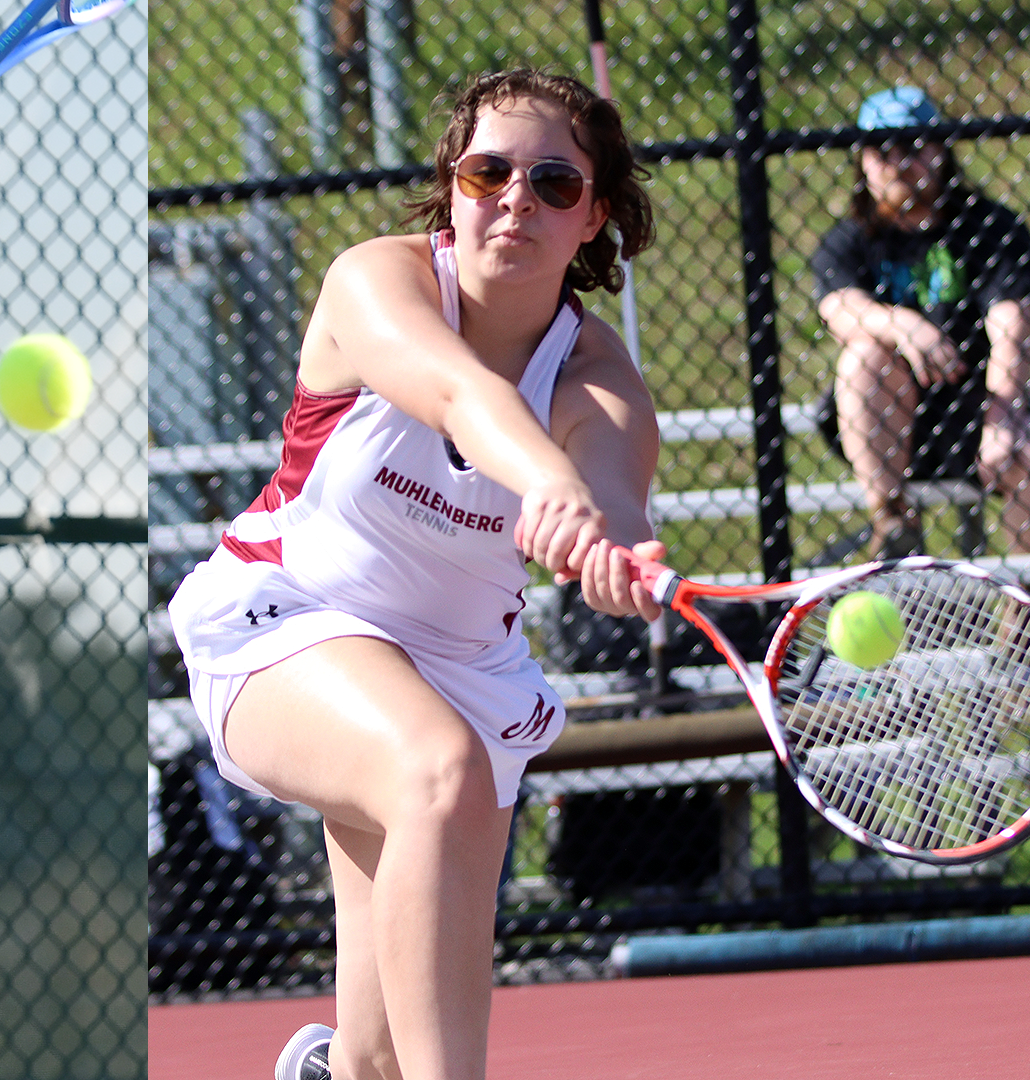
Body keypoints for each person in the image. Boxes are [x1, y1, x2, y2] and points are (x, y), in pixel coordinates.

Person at [167, 69, 663, 1080]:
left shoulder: (597, 374)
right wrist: (547, 481)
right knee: (436, 771)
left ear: (593, 219)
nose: (515, 199)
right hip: (283, 619)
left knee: (381, 1056)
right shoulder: (374, 280)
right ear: (452, 184)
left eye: (554, 184)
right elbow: (454, 387)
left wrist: (611, 547)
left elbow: (612, 491)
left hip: (460, 677)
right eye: (488, 173)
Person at [813, 86, 1030, 561]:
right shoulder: (850, 237)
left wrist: (1003, 415)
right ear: (862, 161)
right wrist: (902, 324)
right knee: (865, 355)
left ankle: (1028, 613)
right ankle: (892, 518)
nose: (897, 162)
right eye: (880, 150)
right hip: (889, 422)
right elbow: (840, 308)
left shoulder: (989, 226)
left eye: (911, 146)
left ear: (940, 151)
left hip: (978, 407)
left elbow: (1013, 323)